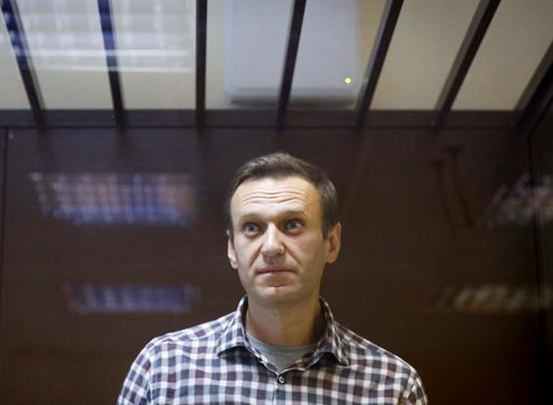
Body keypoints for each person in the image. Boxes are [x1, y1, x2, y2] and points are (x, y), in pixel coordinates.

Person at [117, 152, 428, 404]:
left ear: (331, 243)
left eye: (292, 225)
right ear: (232, 249)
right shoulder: (163, 366)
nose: (271, 247)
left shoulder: (392, 386)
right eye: (252, 228)